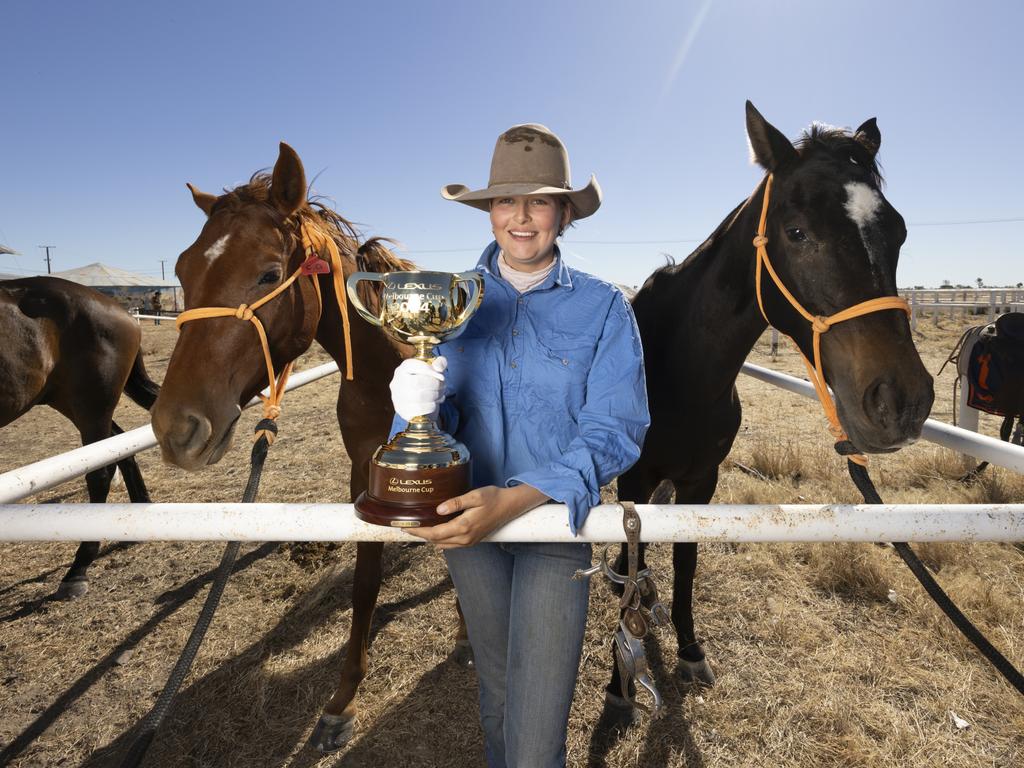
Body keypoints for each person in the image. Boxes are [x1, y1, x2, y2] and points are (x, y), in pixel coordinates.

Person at [390, 123, 649, 767]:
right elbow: (423, 436)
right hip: (467, 527)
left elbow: (615, 430)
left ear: (563, 214)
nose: (521, 217)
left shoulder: (605, 308)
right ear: (490, 212)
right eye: (506, 201)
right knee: (499, 690)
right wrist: (410, 410)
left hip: (554, 527)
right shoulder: (449, 303)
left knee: (536, 725)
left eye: (538, 202)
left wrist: (514, 502)